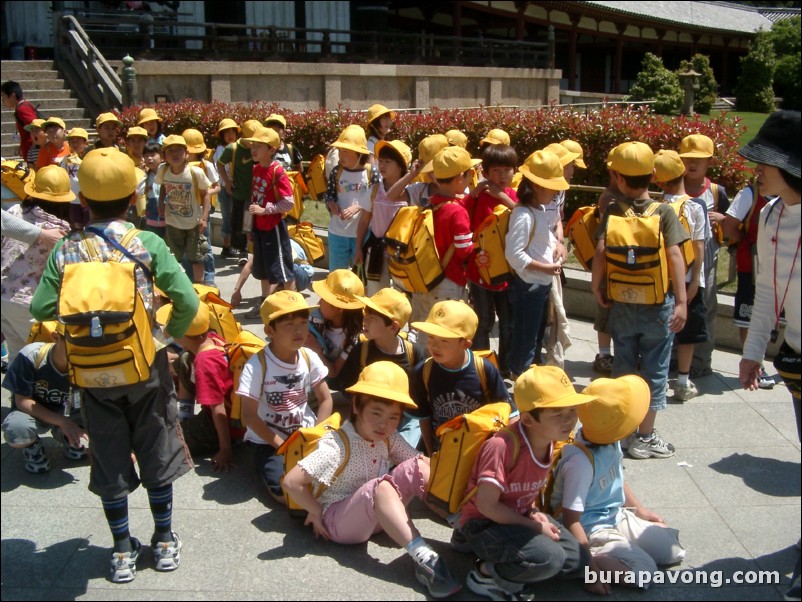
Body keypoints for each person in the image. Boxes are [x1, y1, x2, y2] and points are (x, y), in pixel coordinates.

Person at [29, 148, 200, 584]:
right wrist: (162, 338)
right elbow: (187, 301)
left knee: (107, 459)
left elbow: (42, 306)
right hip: (145, 368)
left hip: (91, 374)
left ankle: (122, 550)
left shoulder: (67, 248)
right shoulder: (149, 243)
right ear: (134, 197)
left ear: (82, 198)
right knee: (157, 450)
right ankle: (163, 541)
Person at [282, 361, 463, 599]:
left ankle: (466, 525)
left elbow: (421, 464)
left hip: (380, 513)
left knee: (418, 464)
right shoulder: (336, 445)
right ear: (356, 405)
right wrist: (315, 512)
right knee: (381, 486)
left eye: (393, 417)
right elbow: (291, 481)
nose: (383, 424)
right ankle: (424, 558)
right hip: (340, 522)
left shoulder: (388, 437)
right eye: (376, 413)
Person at [458, 365, 597, 600]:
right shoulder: (502, 447)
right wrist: (534, 527)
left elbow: (524, 490)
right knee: (550, 559)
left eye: (572, 411)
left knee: (577, 561)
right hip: (484, 525)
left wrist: (533, 512)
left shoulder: (549, 439)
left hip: (519, 516)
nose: (569, 421)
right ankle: (486, 574)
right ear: (528, 419)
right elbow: (487, 506)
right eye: (558, 415)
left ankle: (524, 565)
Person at [737, 109, 801, 602]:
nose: (757, 170)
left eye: (766, 164)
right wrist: (754, 350)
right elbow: (763, 291)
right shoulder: (771, 214)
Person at [591, 141, 688, 460]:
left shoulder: (612, 212)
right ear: (653, 175)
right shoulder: (664, 212)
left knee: (623, 366)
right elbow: (675, 255)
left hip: (621, 303)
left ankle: (621, 431)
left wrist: (597, 288)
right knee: (655, 370)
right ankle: (645, 437)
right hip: (657, 305)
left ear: (618, 177)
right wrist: (682, 302)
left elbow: (601, 252)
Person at [551, 375, 685, 591]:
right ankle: (588, 557)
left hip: (614, 515)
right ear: (617, 428)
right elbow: (571, 519)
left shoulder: (608, 441)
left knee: (671, 549)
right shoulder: (580, 463)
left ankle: (620, 545)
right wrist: (590, 572)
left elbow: (617, 479)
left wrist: (639, 510)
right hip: (590, 528)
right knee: (644, 573)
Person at [237, 290, 334, 503]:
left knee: (333, 478)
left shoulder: (309, 357)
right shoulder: (257, 365)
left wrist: (316, 435)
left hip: (305, 433)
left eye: (302, 322)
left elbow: (326, 399)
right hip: (269, 440)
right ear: (270, 330)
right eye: (289, 325)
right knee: (283, 492)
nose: (299, 330)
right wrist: (282, 445)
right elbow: (249, 416)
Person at [410, 300, 513, 454]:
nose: (434, 346)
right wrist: (432, 453)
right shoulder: (423, 371)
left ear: (465, 344)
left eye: (444, 340)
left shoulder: (484, 369)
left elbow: (509, 413)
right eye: (431, 337)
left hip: (479, 450)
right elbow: (424, 417)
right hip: (442, 451)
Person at [505, 150, 567, 378]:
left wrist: (560, 247)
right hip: (529, 285)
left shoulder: (537, 210)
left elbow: (547, 240)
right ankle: (520, 376)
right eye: (553, 188)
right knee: (526, 337)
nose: (556, 193)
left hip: (539, 285)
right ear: (538, 186)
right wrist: (545, 268)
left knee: (535, 334)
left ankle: (526, 373)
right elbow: (513, 254)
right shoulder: (523, 214)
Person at [159, 302, 243, 472]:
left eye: (174, 330)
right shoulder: (213, 339)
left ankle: (222, 441)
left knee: (165, 440)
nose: (169, 334)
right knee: (184, 360)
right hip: (234, 418)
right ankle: (186, 418)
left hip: (221, 426)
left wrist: (225, 450)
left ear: (185, 335)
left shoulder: (204, 362)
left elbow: (218, 408)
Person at [1, 166, 72, 364]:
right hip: (28, 302)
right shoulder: (60, 230)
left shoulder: (14, 212)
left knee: (17, 356)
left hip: (3, 295)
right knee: (44, 360)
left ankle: (18, 394)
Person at [337, 287, 426, 446]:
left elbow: (422, 392)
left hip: (403, 418)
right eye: (366, 315)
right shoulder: (361, 351)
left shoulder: (414, 353)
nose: (365, 321)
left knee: (405, 450)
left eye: (373, 317)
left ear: (393, 327)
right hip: (368, 421)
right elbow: (347, 387)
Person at [653, 150, 709, 402]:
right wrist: (696, 280)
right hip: (688, 278)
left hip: (663, 277)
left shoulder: (656, 207)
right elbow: (698, 247)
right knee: (688, 333)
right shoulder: (696, 206)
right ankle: (683, 382)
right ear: (682, 171)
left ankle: (660, 378)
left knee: (663, 330)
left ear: (659, 181)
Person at [409, 146, 479, 332]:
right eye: (469, 174)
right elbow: (464, 250)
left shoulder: (432, 202)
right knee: (442, 334)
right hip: (448, 282)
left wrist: (472, 197)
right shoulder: (457, 212)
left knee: (421, 331)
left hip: (425, 278)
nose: (471, 177)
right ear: (459, 178)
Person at [1, 324, 87, 473]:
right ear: (55, 337)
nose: (77, 350)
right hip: (34, 412)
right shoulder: (32, 355)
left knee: (100, 417)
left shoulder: (88, 362)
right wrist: (62, 421)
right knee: (16, 428)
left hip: (70, 410)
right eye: (72, 343)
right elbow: (22, 401)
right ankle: (32, 446)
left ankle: (69, 437)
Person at [463, 143, 518, 377]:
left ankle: (504, 366)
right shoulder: (477, 198)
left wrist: (503, 197)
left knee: (508, 323)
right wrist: (474, 195)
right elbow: (463, 219)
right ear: (484, 173)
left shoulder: (514, 195)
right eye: (496, 171)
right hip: (480, 271)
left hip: (507, 272)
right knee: (483, 321)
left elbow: (523, 216)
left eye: (507, 170)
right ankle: (483, 367)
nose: (502, 175)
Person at [679, 134, 729, 378]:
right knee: (677, 307)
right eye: (687, 158)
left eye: (698, 159)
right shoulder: (673, 186)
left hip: (706, 261)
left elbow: (733, 226)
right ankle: (676, 359)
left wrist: (723, 219)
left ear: (709, 161)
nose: (692, 163)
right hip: (678, 259)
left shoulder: (717, 192)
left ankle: (701, 361)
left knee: (705, 310)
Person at [722, 179, 776, 389]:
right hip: (751, 266)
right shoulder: (750, 194)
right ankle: (756, 365)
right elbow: (729, 225)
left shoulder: (789, 195)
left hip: (780, 267)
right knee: (748, 315)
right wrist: (745, 241)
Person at [239, 125, 295, 315]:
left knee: (282, 269)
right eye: (252, 144)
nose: (254, 148)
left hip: (274, 228)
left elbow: (289, 202)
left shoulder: (277, 171)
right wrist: (250, 225)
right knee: (262, 270)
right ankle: (264, 303)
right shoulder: (256, 169)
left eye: (259, 145)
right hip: (259, 228)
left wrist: (266, 210)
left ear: (272, 149)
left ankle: (292, 305)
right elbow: (255, 198)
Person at [353, 139, 411, 295]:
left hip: (403, 254)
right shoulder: (374, 190)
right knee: (376, 295)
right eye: (381, 161)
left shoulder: (411, 191)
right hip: (376, 252)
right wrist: (358, 248)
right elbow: (364, 221)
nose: (382, 165)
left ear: (401, 166)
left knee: (402, 296)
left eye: (388, 161)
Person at [156, 134, 212, 284]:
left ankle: (200, 287)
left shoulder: (195, 172)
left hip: (194, 223)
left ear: (186, 153)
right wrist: (161, 202)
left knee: (197, 257)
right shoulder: (163, 170)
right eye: (170, 151)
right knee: (173, 257)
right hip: (173, 221)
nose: (175, 154)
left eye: (178, 150)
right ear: (164, 155)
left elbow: (206, 194)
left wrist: (204, 218)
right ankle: (177, 285)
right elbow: (163, 186)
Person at [324, 124, 378, 270]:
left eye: (346, 151)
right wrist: (332, 204)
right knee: (337, 275)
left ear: (359, 153)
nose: (341, 156)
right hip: (337, 233)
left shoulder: (371, 172)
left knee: (359, 276)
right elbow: (328, 195)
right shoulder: (336, 171)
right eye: (340, 151)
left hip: (362, 234)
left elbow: (377, 198)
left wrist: (359, 206)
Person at [592, 146, 625, 376]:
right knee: (606, 312)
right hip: (611, 264)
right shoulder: (609, 199)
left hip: (625, 264)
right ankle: (604, 354)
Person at [307, 269, 366, 380]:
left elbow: (333, 372)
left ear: (338, 308)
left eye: (324, 299)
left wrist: (317, 350)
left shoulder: (354, 338)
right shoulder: (315, 318)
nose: (319, 302)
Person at [217, 119, 261, 262]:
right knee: (240, 224)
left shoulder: (259, 148)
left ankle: (251, 253)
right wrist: (227, 182)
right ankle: (244, 253)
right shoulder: (233, 149)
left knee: (251, 225)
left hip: (256, 195)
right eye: (251, 141)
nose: (253, 145)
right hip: (240, 195)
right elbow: (220, 164)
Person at [183, 128, 221, 288]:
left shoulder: (207, 165)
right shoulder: (180, 166)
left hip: (202, 210)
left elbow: (217, 186)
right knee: (187, 247)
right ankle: (191, 278)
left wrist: (205, 192)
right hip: (185, 212)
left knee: (205, 246)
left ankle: (209, 278)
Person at [212, 118, 240, 258]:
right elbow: (220, 167)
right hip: (225, 188)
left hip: (237, 188)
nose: (230, 135)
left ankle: (237, 245)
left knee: (238, 217)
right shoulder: (220, 149)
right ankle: (226, 246)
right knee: (227, 217)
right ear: (221, 135)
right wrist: (228, 183)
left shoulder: (239, 148)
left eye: (232, 132)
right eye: (226, 132)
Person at [1, 80, 38, 159]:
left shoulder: (22, 109)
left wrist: (33, 149)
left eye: (3, 96)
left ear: (12, 96)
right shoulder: (23, 105)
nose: (2, 100)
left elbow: (35, 127)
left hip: (32, 153)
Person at [142, 142, 165, 236]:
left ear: (162, 157)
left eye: (153, 155)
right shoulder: (145, 176)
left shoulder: (167, 173)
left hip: (167, 216)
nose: (149, 158)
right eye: (146, 156)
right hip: (151, 217)